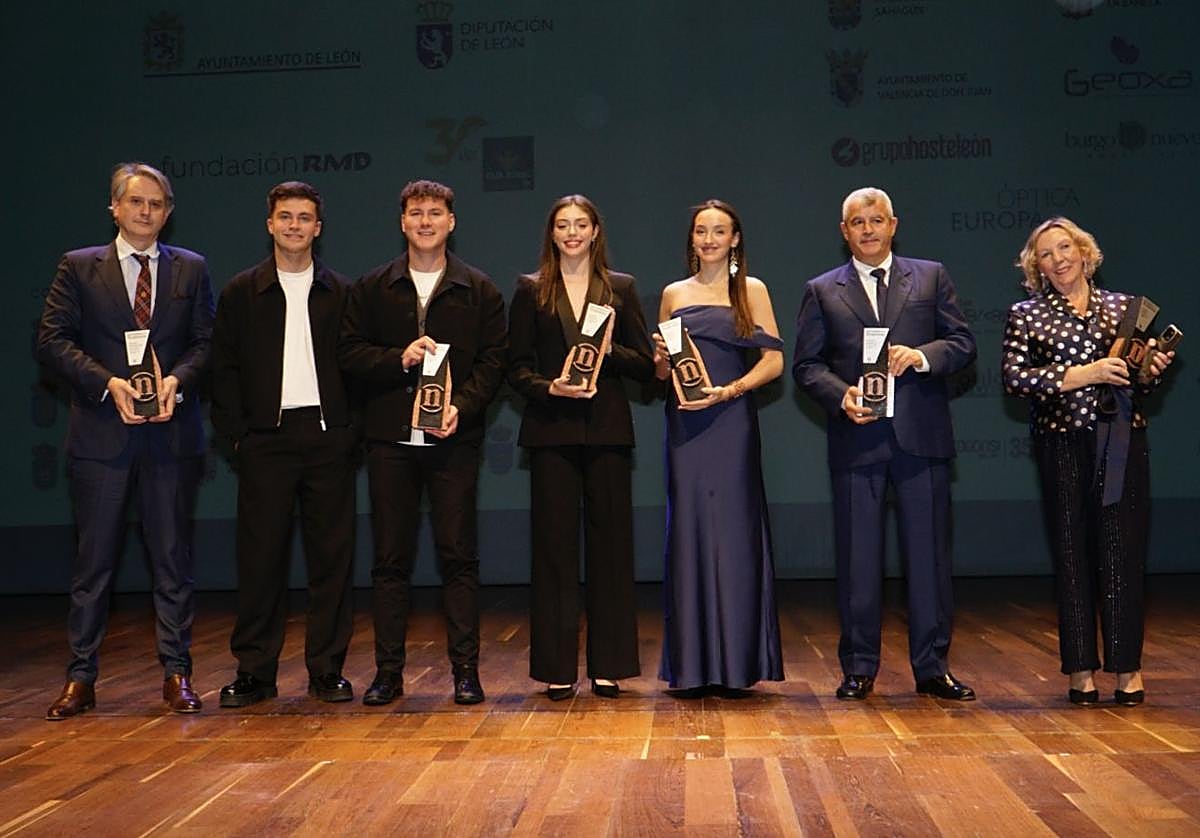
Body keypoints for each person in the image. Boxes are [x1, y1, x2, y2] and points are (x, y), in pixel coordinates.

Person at [37, 162, 215, 719]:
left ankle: (177, 673)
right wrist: (107, 383)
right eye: (136, 202)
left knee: (172, 562)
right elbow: (51, 340)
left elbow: (207, 344)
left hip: (169, 436)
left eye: (157, 204)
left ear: (168, 212)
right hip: (102, 438)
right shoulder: (79, 267)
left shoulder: (191, 269)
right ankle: (81, 678)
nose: (146, 213)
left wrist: (176, 382)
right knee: (94, 565)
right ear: (114, 207)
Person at [793, 187, 977, 701]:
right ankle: (858, 667)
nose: (868, 229)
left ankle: (933, 667)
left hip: (921, 438)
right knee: (857, 561)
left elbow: (963, 344)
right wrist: (840, 395)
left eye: (876, 220)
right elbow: (806, 366)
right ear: (844, 231)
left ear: (894, 224)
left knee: (929, 558)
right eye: (857, 222)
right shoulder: (822, 290)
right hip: (857, 438)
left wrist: (920, 358)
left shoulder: (931, 275)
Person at [339, 179, 506, 706]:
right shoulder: (372, 286)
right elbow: (348, 353)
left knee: (459, 556)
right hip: (390, 440)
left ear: (451, 222)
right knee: (390, 560)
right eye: (416, 213)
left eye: (435, 213)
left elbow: (494, 362)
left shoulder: (478, 289)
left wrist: (464, 406)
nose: (426, 221)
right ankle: (389, 674)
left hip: (454, 441)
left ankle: (466, 671)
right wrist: (398, 358)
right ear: (403, 222)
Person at [1004, 217, 1174, 707]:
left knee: (1123, 554)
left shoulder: (1124, 308)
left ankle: (1128, 670)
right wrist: (1083, 374)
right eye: (1046, 254)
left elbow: (1137, 381)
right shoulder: (1026, 314)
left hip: (1122, 440)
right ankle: (1080, 672)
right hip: (1061, 443)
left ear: (1084, 252)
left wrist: (1151, 370)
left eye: (1065, 248)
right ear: (1036, 266)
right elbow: (1015, 379)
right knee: (1073, 554)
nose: (1058, 260)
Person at [211, 181, 359, 707]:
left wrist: (349, 431)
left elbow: (359, 366)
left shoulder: (342, 292)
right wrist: (238, 437)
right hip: (265, 443)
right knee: (260, 561)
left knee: (331, 562)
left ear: (319, 228)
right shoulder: (240, 292)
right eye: (285, 216)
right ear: (269, 224)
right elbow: (221, 370)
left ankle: (326, 669)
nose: (294, 225)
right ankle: (254, 671)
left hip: (328, 440)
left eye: (304, 218)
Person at [507, 194, 654, 700]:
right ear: (552, 234)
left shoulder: (621, 289)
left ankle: (609, 665)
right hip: (551, 434)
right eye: (562, 225)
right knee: (553, 551)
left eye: (581, 224)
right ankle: (557, 667)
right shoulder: (530, 291)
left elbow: (644, 365)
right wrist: (552, 387)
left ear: (596, 232)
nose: (572, 233)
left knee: (612, 551)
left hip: (608, 433)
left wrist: (611, 351)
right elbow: (516, 369)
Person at [652, 199, 785, 694]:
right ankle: (691, 666)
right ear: (691, 239)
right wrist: (661, 359)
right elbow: (661, 372)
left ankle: (736, 665)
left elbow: (774, 361)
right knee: (687, 532)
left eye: (719, 231)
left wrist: (729, 391)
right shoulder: (671, 293)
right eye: (701, 231)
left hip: (731, 424)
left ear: (735, 239)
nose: (709, 239)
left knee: (734, 536)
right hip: (686, 427)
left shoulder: (751, 290)